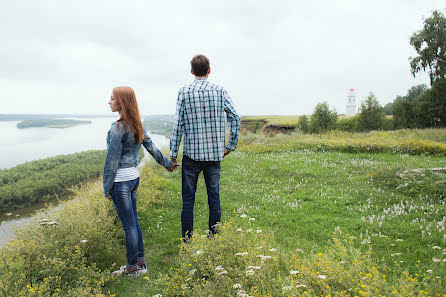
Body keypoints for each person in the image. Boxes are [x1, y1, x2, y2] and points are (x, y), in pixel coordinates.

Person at [103, 86, 177, 277]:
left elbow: (111, 162)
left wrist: (107, 188)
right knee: (134, 223)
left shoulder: (117, 127)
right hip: (134, 177)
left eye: (112, 98)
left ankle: (132, 268)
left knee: (129, 226)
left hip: (120, 181)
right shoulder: (137, 124)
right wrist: (167, 163)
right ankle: (140, 264)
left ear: (122, 102)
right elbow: (152, 148)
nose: (109, 102)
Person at [170, 54, 241, 241]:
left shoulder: (183, 92)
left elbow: (178, 125)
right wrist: (230, 146)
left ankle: (187, 242)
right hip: (214, 157)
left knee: (188, 201)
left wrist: (173, 154)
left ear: (191, 71)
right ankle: (214, 240)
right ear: (209, 70)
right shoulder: (220, 91)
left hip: (191, 156)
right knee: (214, 198)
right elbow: (235, 117)